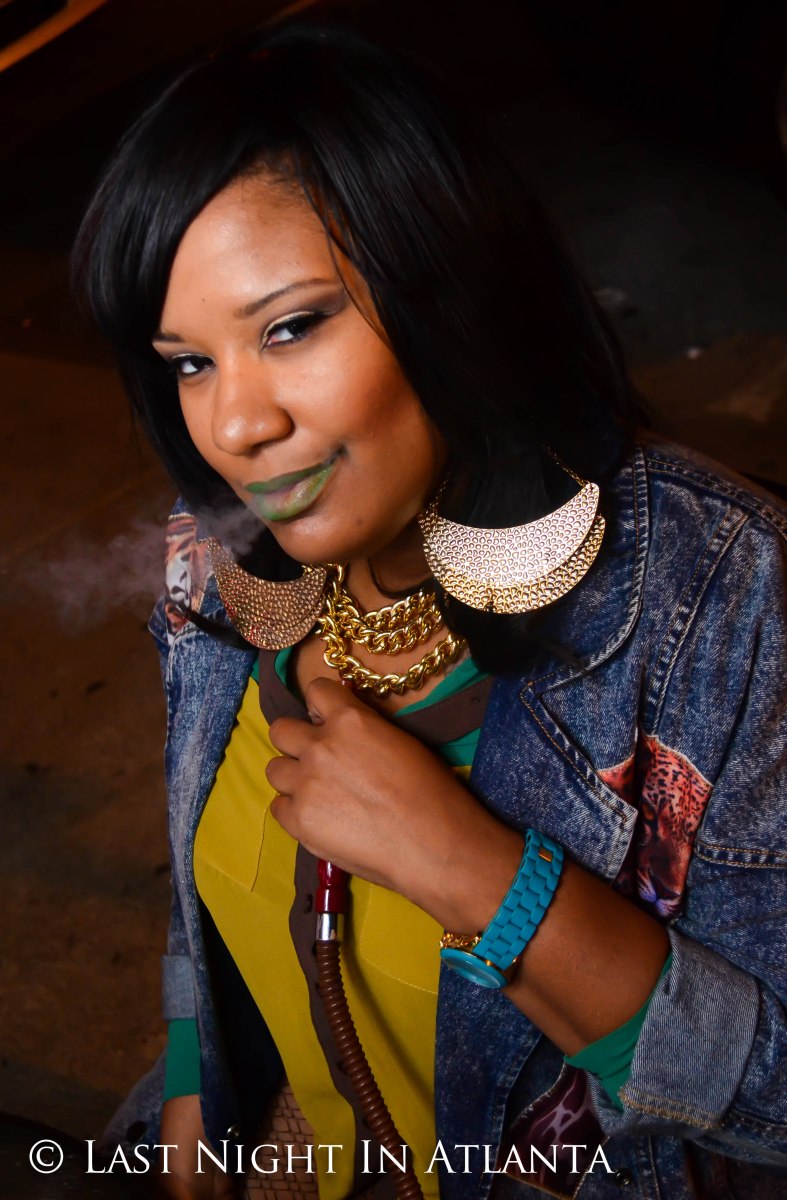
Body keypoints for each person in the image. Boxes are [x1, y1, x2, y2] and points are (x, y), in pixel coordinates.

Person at [72, 22, 787, 1200]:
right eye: (188, 362)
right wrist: (197, 1078)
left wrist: (476, 873)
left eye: (290, 327)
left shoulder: (719, 599)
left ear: (450, 295)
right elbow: (200, 896)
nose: (234, 426)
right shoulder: (216, 558)